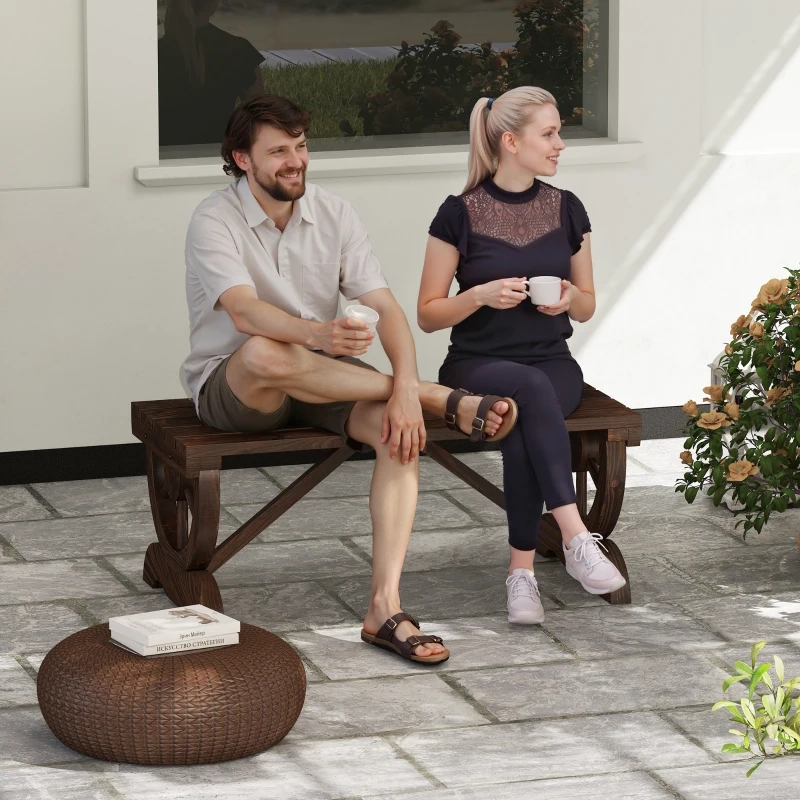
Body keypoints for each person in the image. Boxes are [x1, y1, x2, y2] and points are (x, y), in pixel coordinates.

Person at [182, 94, 518, 664]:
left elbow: (385, 307)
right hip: (239, 387)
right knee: (264, 351)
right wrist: (324, 337)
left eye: (301, 146)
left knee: (399, 430)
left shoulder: (334, 213)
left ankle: (384, 608)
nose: (296, 161)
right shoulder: (213, 219)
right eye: (278, 151)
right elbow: (243, 312)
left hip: (324, 380)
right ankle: (441, 398)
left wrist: (404, 388)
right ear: (242, 159)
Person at [417, 86, 627, 626]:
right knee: (525, 395)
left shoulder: (567, 208)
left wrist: (568, 298)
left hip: (552, 363)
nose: (560, 144)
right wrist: (478, 296)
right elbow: (428, 314)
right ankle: (575, 537)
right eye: (549, 133)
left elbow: (587, 306)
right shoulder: (457, 214)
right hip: (475, 364)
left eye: (559, 133)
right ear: (511, 142)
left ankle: (522, 575)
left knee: (522, 411)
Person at [159, 0, 265, 147]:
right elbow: (260, 114)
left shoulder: (154, 54)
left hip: (162, 156)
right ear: (213, 5)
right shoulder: (239, 50)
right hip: (218, 154)